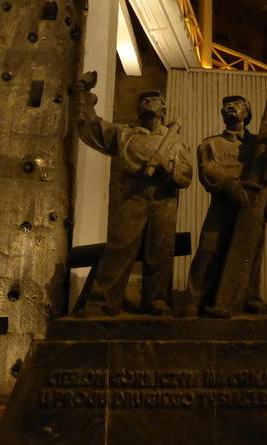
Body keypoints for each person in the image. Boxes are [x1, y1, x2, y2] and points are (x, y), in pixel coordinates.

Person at [74, 71, 192, 316]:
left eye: (154, 99)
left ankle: (156, 301)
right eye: (143, 99)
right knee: (119, 247)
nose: (148, 102)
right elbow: (92, 128)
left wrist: (169, 168)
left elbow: (186, 173)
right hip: (133, 196)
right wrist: (83, 96)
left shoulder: (175, 142)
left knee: (160, 251)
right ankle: (102, 302)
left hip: (163, 199)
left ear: (163, 108)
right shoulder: (124, 134)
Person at [186, 95, 267, 317]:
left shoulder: (261, 145)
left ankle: (249, 297)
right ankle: (195, 298)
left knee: (250, 252)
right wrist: (228, 185)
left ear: (248, 112)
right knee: (209, 248)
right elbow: (207, 170)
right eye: (226, 105)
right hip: (223, 203)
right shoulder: (211, 144)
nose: (230, 107)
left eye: (238, 104)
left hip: (255, 203)